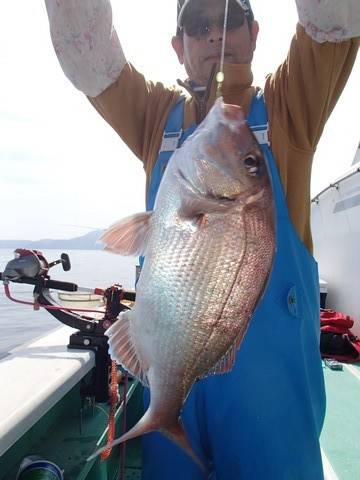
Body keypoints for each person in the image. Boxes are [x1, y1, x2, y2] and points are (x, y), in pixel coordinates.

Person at [45, 0, 360, 478]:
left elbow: (334, 21)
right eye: (199, 25)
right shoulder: (155, 116)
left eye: (230, 18)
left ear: (255, 33)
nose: (216, 33)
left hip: (272, 400)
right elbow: (92, 64)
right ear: (178, 46)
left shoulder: (291, 102)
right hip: (170, 374)